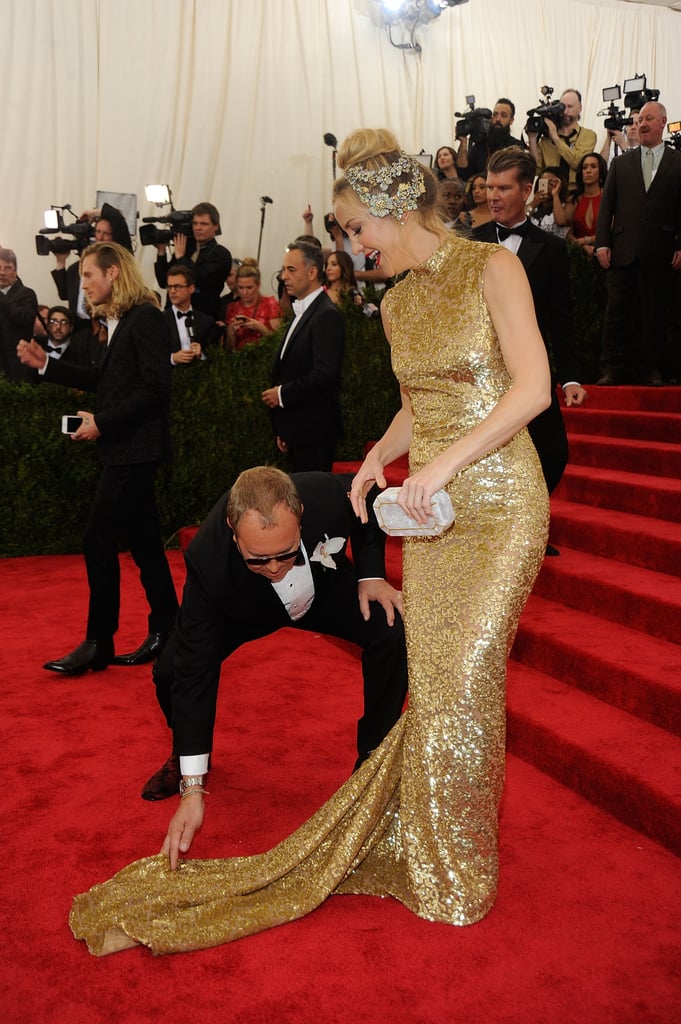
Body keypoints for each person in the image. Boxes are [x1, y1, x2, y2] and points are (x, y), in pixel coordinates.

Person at [69, 129, 551, 957]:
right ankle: (422, 846)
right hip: (431, 511)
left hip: (501, 501)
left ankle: (459, 867)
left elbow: (530, 388)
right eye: (342, 231)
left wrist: (439, 466)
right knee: (435, 686)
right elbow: (423, 401)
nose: (348, 243)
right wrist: (377, 457)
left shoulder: (490, 268)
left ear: (394, 208)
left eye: (353, 226)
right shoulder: (395, 302)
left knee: (466, 683)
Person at [138, 465, 408, 804]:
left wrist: (370, 575)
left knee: (389, 626)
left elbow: (368, 499)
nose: (276, 568)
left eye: (286, 553)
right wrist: (193, 786)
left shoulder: (324, 495)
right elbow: (195, 672)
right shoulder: (208, 563)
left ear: (301, 516)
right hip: (242, 610)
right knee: (172, 670)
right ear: (233, 531)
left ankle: (373, 762)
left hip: (323, 593)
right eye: (258, 559)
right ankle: (184, 756)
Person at [16, 242, 179, 675]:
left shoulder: (143, 317)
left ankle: (98, 643)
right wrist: (46, 367)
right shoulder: (123, 320)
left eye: (88, 274)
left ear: (112, 273)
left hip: (134, 453)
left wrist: (103, 423)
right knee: (144, 545)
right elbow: (103, 380)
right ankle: (170, 629)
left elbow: (155, 389)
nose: (83, 283)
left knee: (97, 540)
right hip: (127, 451)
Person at [474, 147, 587, 501]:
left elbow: (560, 318)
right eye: (490, 187)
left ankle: (529, 524)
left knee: (553, 452)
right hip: (481, 371)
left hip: (530, 369)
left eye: (503, 188)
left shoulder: (550, 249)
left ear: (526, 191)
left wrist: (569, 377)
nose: (493, 196)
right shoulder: (468, 243)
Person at [595, 101, 681, 386]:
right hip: (622, 250)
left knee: (654, 313)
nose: (641, 124)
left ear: (663, 122)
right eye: (639, 119)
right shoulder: (621, 163)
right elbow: (607, 207)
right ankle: (612, 368)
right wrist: (602, 243)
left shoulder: (677, 161)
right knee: (615, 313)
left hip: (660, 251)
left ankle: (651, 369)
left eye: (648, 118)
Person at [262, 241, 345, 472]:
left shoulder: (326, 315)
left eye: (291, 270)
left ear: (312, 272)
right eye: (282, 270)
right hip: (298, 431)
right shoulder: (305, 311)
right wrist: (283, 427)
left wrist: (281, 394)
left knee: (312, 502)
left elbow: (325, 374)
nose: (283, 277)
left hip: (314, 432)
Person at [52, 203, 132, 331]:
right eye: (98, 232)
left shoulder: (120, 261)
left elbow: (117, 219)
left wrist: (93, 213)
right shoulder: (78, 267)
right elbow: (64, 294)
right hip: (79, 330)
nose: (100, 237)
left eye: (106, 233)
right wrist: (60, 261)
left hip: (105, 327)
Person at [154, 202, 232, 319]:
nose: (198, 228)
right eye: (195, 223)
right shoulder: (185, 249)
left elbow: (198, 278)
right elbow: (163, 281)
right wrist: (161, 252)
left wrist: (181, 258)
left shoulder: (221, 254)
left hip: (204, 317)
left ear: (215, 226)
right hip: (173, 315)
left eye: (203, 224)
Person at [528, 88, 597, 189]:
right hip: (549, 195)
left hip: (574, 194)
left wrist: (555, 138)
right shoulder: (546, 139)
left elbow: (578, 163)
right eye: (562, 107)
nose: (565, 111)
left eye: (570, 107)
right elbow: (536, 170)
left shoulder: (588, 135)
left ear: (580, 108)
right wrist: (532, 139)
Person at [456, 98, 525, 181]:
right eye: (495, 115)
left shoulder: (516, 147)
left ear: (511, 120)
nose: (498, 119)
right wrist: (463, 143)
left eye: (503, 115)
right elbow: (463, 175)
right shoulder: (479, 146)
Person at [225, 258, 283, 350]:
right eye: (240, 287)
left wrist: (261, 328)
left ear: (258, 285)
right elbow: (228, 349)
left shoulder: (270, 304)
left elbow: (279, 342)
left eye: (249, 287)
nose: (244, 292)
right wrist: (231, 331)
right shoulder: (233, 308)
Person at [0, 248, 38, 383]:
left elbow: (24, 319)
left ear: (15, 271)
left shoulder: (26, 294)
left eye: (8, 268)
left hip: (17, 362)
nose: (2, 272)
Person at [164, 266, 215, 365]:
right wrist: (173, 358)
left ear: (191, 288)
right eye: (169, 287)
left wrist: (201, 354)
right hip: (169, 377)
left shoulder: (207, 321)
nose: (172, 291)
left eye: (177, 286)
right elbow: (152, 354)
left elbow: (215, 355)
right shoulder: (159, 320)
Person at [566, 152, 608, 259]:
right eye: (584, 168)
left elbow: (612, 229)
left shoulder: (608, 196)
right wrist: (581, 245)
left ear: (601, 171)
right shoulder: (574, 198)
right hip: (578, 255)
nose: (588, 171)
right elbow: (567, 231)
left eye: (593, 166)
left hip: (604, 252)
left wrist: (587, 240)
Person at [527, 167, 571, 238]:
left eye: (551, 183)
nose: (547, 187)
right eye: (543, 183)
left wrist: (555, 195)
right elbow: (519, 220)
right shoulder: (534, 206)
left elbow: (561, 222)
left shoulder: (565, 205)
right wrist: (534, 203)